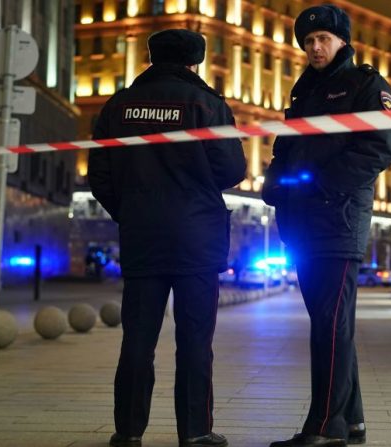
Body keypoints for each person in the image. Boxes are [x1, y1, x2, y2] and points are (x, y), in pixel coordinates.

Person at [88, 29, 245, 447]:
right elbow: (232, 169)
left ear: (151, 58)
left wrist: (130, 212)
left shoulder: (118, 105)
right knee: (195, 339)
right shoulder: (207, 104)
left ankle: (127, 431)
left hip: (142, 236)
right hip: (197, 238)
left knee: (137, 337)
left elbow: (99, 174)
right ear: (195, 62)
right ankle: (195, 431)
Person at [261, 5, 391, 446]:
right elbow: (288, 151)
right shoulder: (304, 90)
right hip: (302, 222)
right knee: (328, 323)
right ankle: (351, 421)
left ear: (342, 41)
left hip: (338, 221)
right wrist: (274, 185)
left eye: (323, 39)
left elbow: (380, 148)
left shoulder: (366, 85)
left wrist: (322, 185)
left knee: (330, 324)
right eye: (308, 41)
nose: (315, 47)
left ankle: (323, 426)